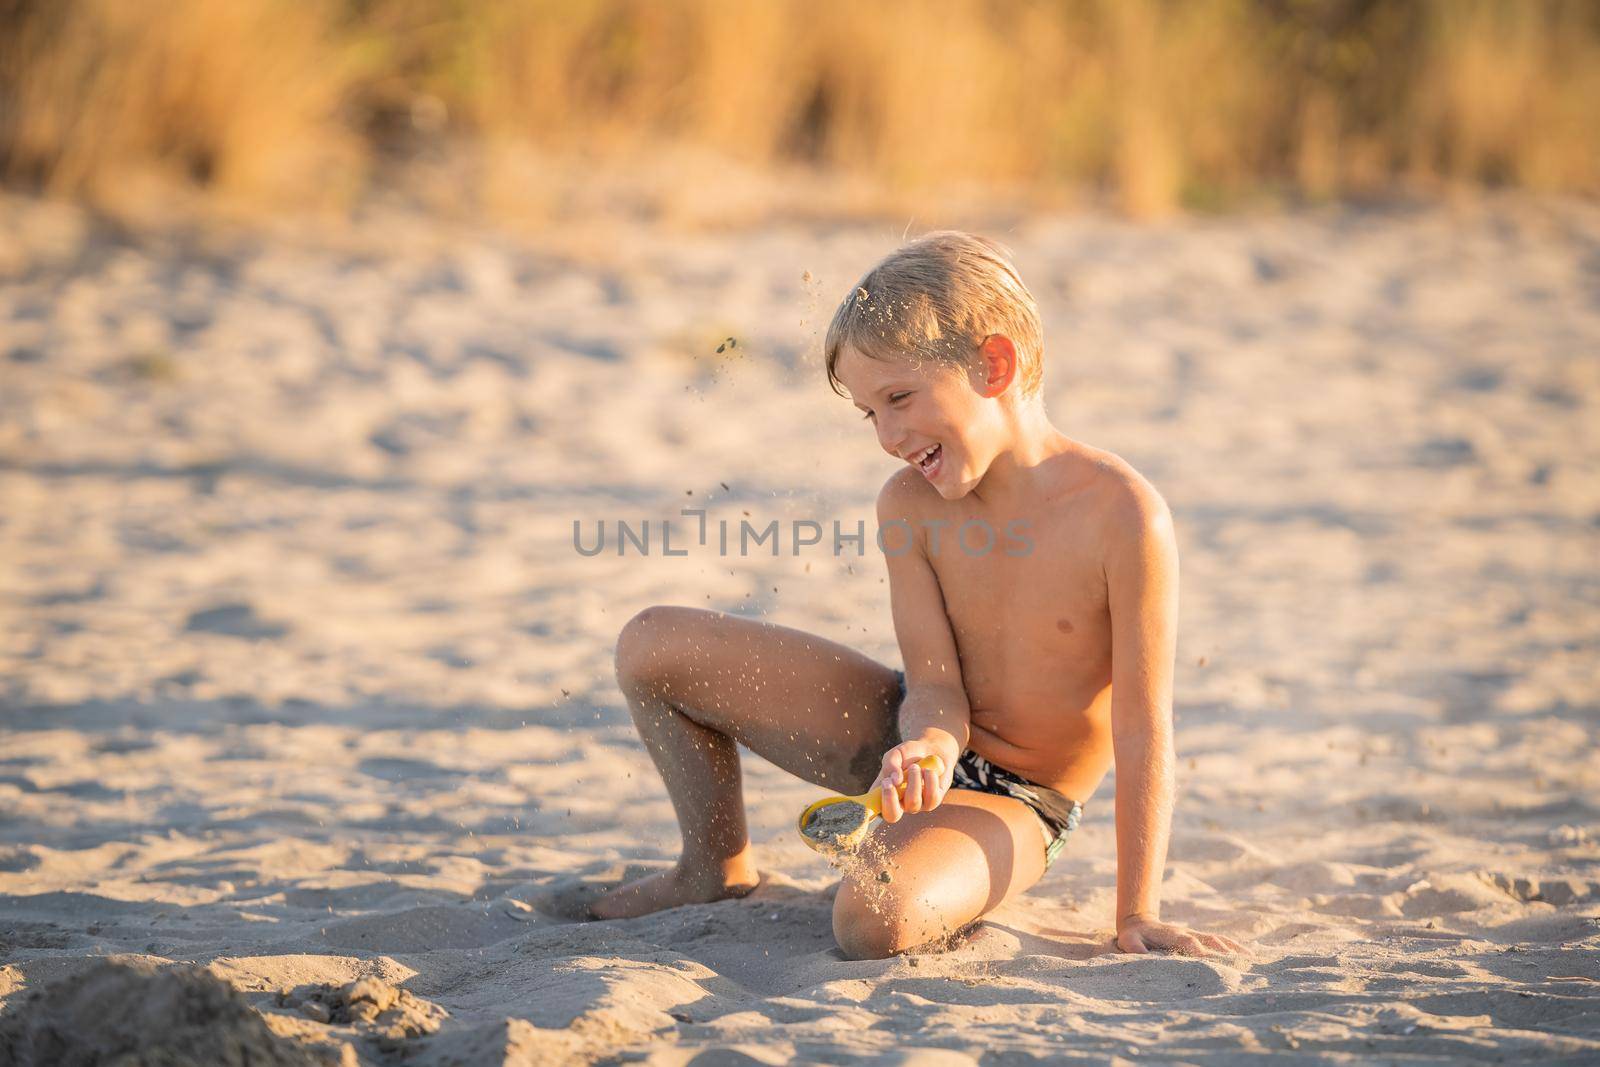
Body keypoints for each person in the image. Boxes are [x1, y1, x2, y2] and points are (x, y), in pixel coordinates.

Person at [590, 231, 1243, 962]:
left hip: (1020, 798)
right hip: (914, 730)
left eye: (900, 398)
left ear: (995, 364)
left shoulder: (1124, 514)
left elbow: (1144, 724)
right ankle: (712, 865)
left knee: (873, 917)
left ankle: (919, 853)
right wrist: (928, 743)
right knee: (652, 644)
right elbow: (933, 682)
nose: (890, 436)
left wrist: (1138, 910)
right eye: (872, 414)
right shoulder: (909, 504)